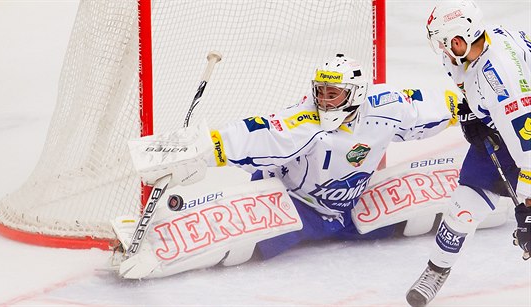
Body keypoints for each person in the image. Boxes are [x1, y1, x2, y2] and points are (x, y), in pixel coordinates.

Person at [114, 54, 460, 279]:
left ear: (354, 94)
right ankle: (159, 244)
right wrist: (200, 150)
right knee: (242, 249)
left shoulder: (386, 107)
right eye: (320, 92)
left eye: (333, 94)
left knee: (407, 221)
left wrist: (472, 107)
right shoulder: (305, 121)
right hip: (292, 202)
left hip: (347, 208)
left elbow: (430, 109)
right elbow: (256, 133)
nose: (324, 101)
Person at [406, 1, 531, 306]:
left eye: (443, 43)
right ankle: (436, 270)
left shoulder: (505, 85)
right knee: (463, 207)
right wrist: (474, 110)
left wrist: (529, 211)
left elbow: (529, 151)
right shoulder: (472, 49)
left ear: (458, 39)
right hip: (507, 132)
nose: (441, 50)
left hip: (524, 134)